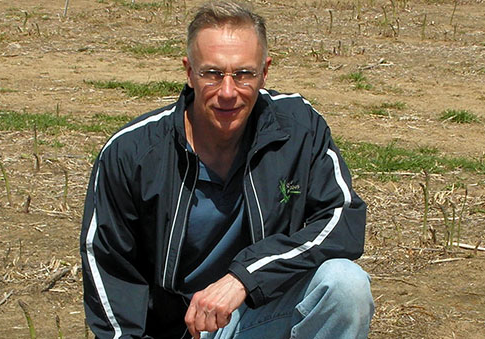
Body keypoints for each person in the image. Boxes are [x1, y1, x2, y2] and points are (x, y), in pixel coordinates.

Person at [80, 1, 373, 338]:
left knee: (345, 285)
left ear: (265, 71)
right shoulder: (132, 152)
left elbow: (343, 220)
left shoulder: (297, 129)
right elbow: (109, 268)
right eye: (213, 74)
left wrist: (245, 276)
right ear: (189, 72)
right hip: (177, 330)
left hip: (259, 313)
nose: (228, 92)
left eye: (244, 74)